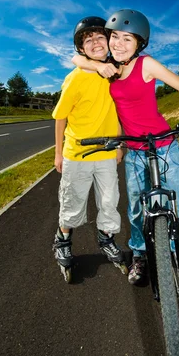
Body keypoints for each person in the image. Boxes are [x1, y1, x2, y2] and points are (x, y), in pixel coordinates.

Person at [72, 9, 179, 285]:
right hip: (135, 151)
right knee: (136, 209)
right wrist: (98, 66)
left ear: (140, 44)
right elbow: (76, 58)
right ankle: (139, 254)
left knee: (177, 205)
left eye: (128, 39)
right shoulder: (109, 67)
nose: (119, 44)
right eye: (115, 37)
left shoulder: (146, 65)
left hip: (164, 147)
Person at [52, 16, 127, 280]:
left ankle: (106, 238)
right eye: (88, 40)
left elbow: (117, 112)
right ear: (82, 49)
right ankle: (62, 241)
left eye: (99, 37)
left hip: (107, 151)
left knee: (109, 202)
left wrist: (119, 145)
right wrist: (58, 153)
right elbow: (60, 116)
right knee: (72, 203)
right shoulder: (74, 79)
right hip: (77, 152)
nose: (95, 42)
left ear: (108, 41)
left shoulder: (115, 72)